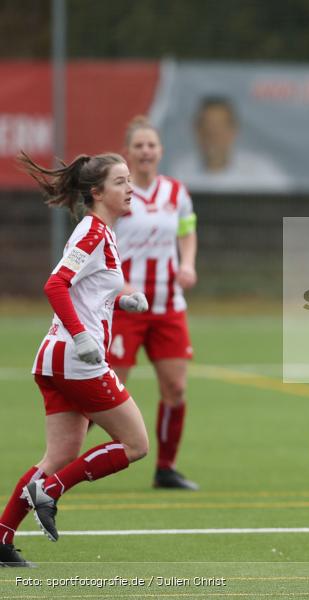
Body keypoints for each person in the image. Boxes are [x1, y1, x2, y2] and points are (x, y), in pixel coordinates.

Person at [0, 152, 150, 567]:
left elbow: (85, 292)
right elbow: (56, 285)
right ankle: (50, 491)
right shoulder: (94, 233)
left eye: (128, 180)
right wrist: (83, 335)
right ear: (97, 192)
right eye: (120, 181)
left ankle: (1, 538)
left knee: (58, 456)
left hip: (54, 357)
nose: (129, 187)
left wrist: (121, 300)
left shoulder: (100, 231)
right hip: (76, 358)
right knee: (136, 444)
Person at [106, 116, 199, 490]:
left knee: (176, 389)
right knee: (107, 392)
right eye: (139, 146)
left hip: (167, 306)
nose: (146, 151)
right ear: (127, 152)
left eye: (151, 145)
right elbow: (102, 243)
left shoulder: (176, 193)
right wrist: (120, 285)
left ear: (160, 152)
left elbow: (187, 232)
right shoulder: (116, 194)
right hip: (125, 307)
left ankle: (165, 468)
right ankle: (66, 462)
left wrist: (188, 264)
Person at [171, 96, 291, 192]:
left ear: (234, 131)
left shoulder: (262, 172)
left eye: (220, 127)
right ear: (196, 130)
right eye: (207, 126)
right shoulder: (180, 172)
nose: (213, 135)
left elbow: (291, 213)